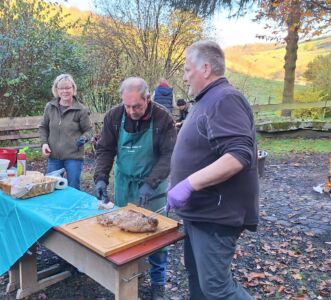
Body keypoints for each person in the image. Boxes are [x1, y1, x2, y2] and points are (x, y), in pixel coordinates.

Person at [167, 40, 259, 299]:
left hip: (216, 214)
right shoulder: (206, 100)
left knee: (217, 289)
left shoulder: (225, 98)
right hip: (199, 212)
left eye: (187, 70)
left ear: (205, 68)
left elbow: (239, 155)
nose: (185, 78)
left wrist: (188, 184)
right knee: (197, 279)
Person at [94, 77, 176, 300]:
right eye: (127, 106)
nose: (131, 111)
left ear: (148, 98)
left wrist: (151, 183)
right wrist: (101, 178)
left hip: (153, 186)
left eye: (137, 106)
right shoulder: (114, 116)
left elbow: (169, 155)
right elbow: (105, 150)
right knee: (124, 233)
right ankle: (131, 277)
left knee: (157, 236)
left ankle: (158, 283)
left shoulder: (162, 118)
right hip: (124, 182)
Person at [39, 74, 92, 190]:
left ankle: (73, 209)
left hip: (73, 157)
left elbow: (88, 130)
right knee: (51, 188)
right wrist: (44, 143)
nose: (65, 91)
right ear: (56, 90)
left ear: (73, 89)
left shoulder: (81, 110)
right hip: (54, 157)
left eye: (68, 88)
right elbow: (43, 127)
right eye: (61, 88)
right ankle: (55, 208)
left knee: (73, 189)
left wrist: (84, 138)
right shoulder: (50, 107)